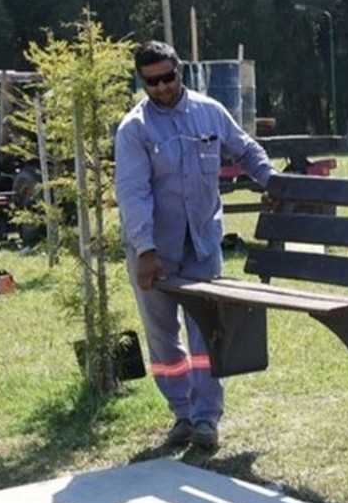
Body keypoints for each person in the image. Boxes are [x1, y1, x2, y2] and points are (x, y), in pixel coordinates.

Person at [114, 41, 275, 450]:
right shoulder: (135, 129)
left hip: (202, 244)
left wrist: (273, 182)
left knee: (207, 336)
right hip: (154, 250)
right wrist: (146, 252)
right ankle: (182, 413)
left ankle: (206, 419)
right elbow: (133, 194)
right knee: (163, 337)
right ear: (142, 81)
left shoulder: (210, 112)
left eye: (168, 77)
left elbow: (246, 150)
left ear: (179, 70)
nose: (163, 87)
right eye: (152, 82)